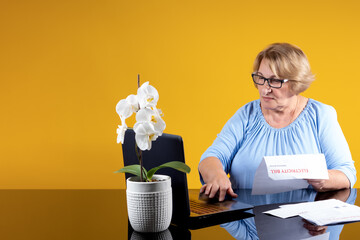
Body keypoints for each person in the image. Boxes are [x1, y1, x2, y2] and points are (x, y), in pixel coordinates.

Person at [198, 43, 356, 201]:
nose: (265, 89)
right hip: (247, 220)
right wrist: (217, 176)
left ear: (297, 82)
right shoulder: (247, 115)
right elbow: (211, 157)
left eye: (275, 81)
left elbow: (347, 173)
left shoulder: (320, 115)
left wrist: (325, 179)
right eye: (260, 78)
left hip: (304, 222)